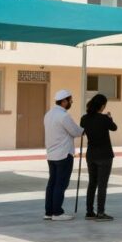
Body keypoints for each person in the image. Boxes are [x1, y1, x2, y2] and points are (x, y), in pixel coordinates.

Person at [43, 89, 84, 221]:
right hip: (64, 154)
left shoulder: (48, 114)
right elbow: (76, 132)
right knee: (61, 184)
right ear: (64, 101)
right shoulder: (64, 116)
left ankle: (49, 212)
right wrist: (84, 129)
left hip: (51, 155)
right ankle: (57, 212)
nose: (71, 102)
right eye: (70, 100)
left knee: (52, 183)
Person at [80, 93, 117, 221]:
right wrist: (109, 118)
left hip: (91, 154)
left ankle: (89, 212)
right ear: (102, 106)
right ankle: (101, 212)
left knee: (92, 183)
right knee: (102, 184)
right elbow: (114, 128)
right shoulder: (104, 119)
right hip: (105, 155)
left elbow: (83, 130)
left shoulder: (84, 118)